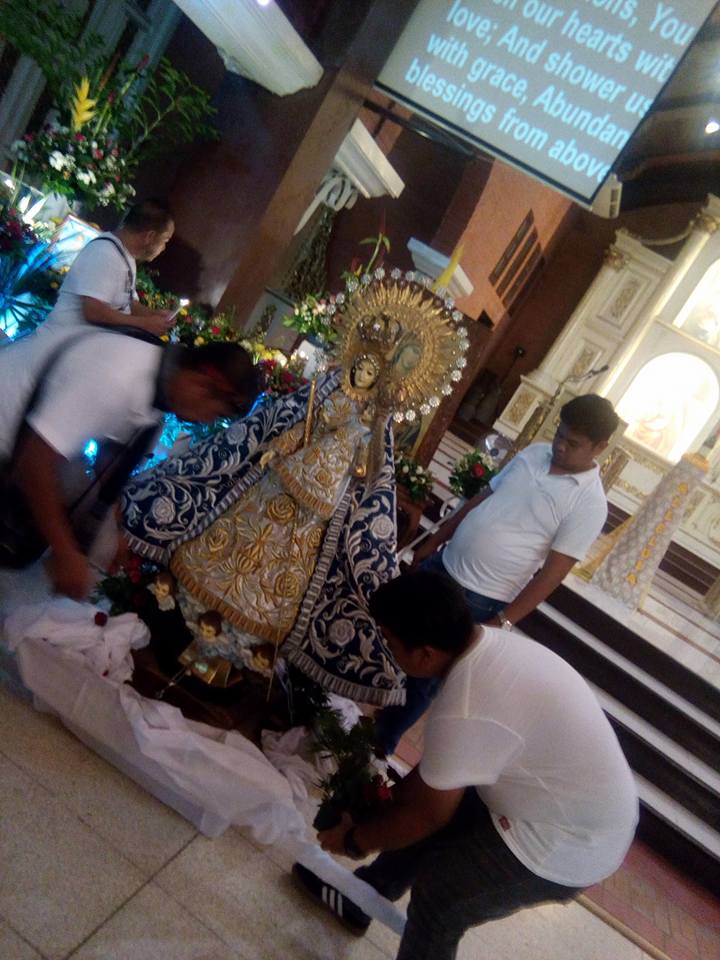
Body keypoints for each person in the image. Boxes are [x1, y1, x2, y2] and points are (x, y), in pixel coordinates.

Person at [293, 570, 639, 960]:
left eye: (390, 642)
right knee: (443, 805)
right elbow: (434, 782)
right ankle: (361, 897)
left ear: (425, 654)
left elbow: (426, 816)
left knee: (440, 900)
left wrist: (356, 840)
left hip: (567, 842)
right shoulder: (491, 648)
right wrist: (373, 808)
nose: (386, 649)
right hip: (575, 803)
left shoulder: (466, 705)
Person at [375, 393, 619, 755]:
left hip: (479, 597)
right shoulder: (535, 453)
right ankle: (353, 708)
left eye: (573, 443)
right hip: (443, 564)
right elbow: (481, 498)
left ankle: (379, 744)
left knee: (424, 675)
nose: (561, 447)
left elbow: (552, 575)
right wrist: (435, 540)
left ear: (599, 448)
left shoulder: (589, 504)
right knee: (389, 633)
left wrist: (503, 621)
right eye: (560, 435)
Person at [0, 334, 259, 600]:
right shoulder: (119, 378)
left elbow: (109, 456)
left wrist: (115, 530)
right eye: (215, 414)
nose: (206, 422)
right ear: (205, 384)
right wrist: (65, 551)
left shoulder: (158, 385)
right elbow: (33, 462)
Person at [41, 198, 176, 338]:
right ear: (150, 236)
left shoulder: (125, 255)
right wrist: (143, 324)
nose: (164, 248)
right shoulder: (105, 252)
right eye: (165, 240)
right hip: (63, 340)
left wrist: (154, 315)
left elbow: (128, 303)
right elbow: (93, 311)